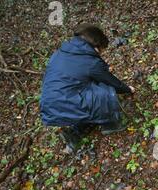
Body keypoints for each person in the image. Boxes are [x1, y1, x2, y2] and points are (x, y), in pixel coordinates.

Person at [39, 24, 134, 152]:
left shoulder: (60, 53)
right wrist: (128, 89)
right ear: (95, 47)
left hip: (48, 108)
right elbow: (111, 82)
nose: (101, 54)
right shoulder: (91, 62)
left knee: (84, 94)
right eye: (101, 50)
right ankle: (111, 124)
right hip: (65, 103)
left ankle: (75, 133)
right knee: (105, 91)